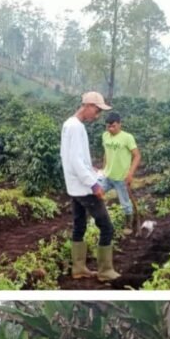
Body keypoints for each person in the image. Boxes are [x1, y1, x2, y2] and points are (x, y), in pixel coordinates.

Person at [61, 91, 120, 281]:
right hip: (84, 188)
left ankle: (78, 268)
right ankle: (105, 271)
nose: (98, 115)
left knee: (79, 225)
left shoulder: (69, 124)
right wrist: (94, 184)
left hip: (75, 187)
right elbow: (76, 161)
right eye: (97, 110)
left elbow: (72, 158)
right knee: (107, 227)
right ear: (88, 106)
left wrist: (90, 168)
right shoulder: (76, 127)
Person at [100, 112, 141, 235]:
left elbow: (137, 155)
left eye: (113, 126)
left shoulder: (127, 137)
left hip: (121, 178)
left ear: (119, 124)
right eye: (108, 126)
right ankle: (99, 220)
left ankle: (129, 224)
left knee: (125, 203)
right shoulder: (105, 136)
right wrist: (103, 169)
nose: (111, 129)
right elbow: (106, 153)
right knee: (95, 194)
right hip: (107, 176)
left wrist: (130, 174)